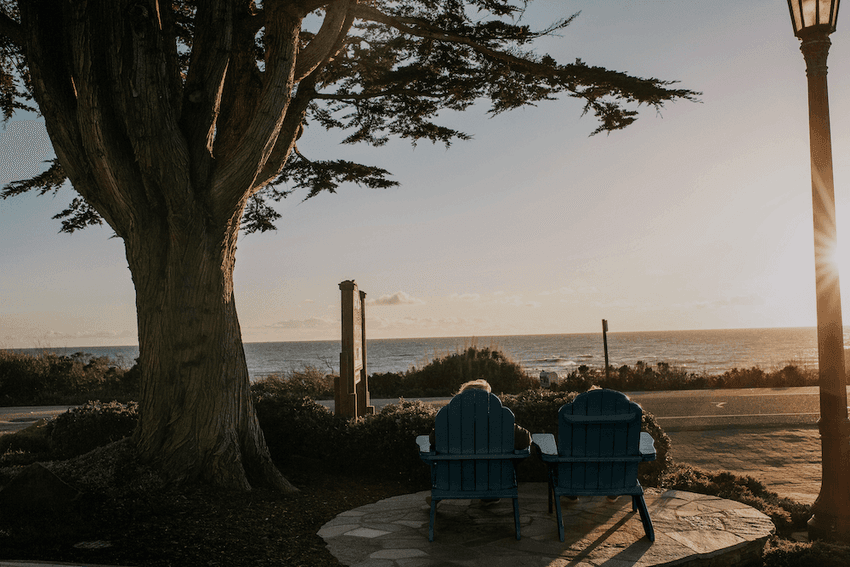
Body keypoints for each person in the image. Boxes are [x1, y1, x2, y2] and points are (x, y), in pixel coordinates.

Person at [428, 379, 531, 450]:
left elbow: (433, 440)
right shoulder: (500, 423)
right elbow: (525, 439)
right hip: (496, 477)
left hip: (456, 478)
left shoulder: (449, 424)